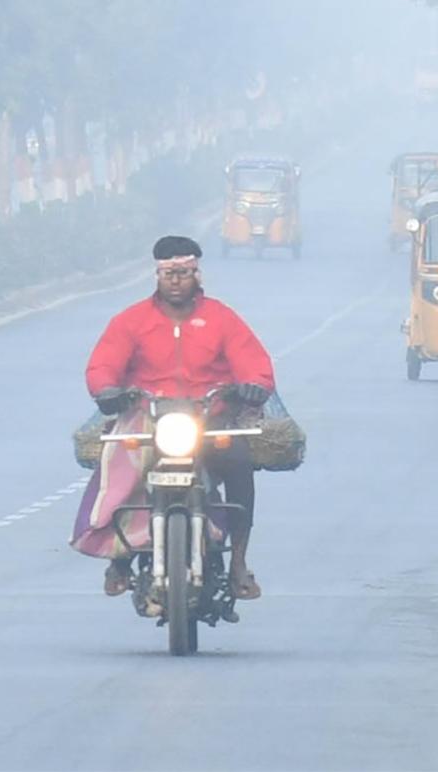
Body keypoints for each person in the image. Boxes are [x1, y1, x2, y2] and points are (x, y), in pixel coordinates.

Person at [71, 235, 274, 601]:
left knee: (240, 464)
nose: (176, 280)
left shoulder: (221, 318)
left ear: (197, 274)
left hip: (209, 419)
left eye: (183, 272)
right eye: (169, 274)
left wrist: (254, 385)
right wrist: (105, 389)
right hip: (149, 418)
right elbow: (104, 362)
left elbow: (253, 361)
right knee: (120, 462)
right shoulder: (132, 321)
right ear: (157, 276)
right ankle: (120, 557)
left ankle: (239, 562)